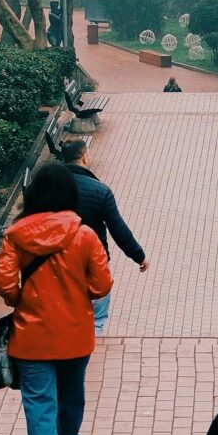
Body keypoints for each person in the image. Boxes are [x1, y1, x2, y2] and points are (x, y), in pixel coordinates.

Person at [0, 162, 112, 435]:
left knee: (39, 407)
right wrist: (81, 294)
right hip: (75, 335)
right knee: (72, 397)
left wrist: (18, 299)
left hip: (32, 339)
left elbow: (3, 282)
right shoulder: (85, 235)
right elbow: (102, 285)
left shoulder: (16, 235)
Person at [55, 136, 146, 331]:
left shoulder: (47, 187)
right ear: (85, 158)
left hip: (56, 256)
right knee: (97, 315)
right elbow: (117, 228)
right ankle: (93, 343)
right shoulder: (100, 190)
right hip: (92, 258)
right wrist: (139, 256)